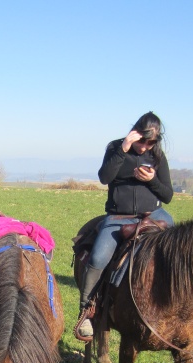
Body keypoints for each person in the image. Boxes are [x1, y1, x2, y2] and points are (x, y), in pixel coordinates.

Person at [75, 112, 175, 340]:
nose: (145, 147)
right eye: (142, 141)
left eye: (151, 143)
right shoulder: (115, 148)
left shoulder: (157, 156)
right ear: (135, 133)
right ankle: (87, 310)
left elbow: (167, 194)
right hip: (119, 217)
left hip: (154, 214)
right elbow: (104, 177)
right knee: (98, 258)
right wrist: (125, 147)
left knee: (180, 248)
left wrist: (152, 181)